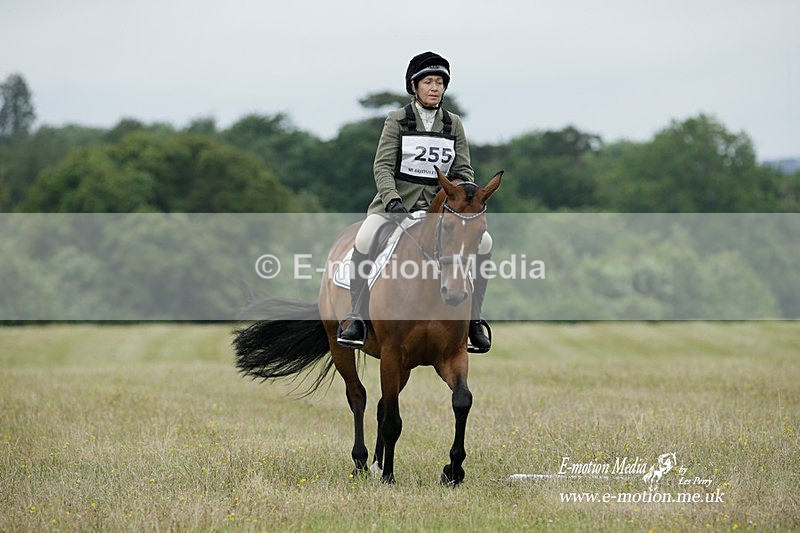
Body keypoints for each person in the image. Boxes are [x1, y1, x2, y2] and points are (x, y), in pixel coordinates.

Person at [336, 51, 493, 352]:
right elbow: (383, 166)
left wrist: (462, 196)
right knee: (365, 237)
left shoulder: (453, 124)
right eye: (428, 82)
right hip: (396, 206)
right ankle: (356, 315)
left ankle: (474, 319)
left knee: (484, 243)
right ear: (414, 86)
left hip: (441, 211)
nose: (435, 88)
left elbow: (463, 170)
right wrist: (392, 201)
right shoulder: (397, 120)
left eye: (440, 83)